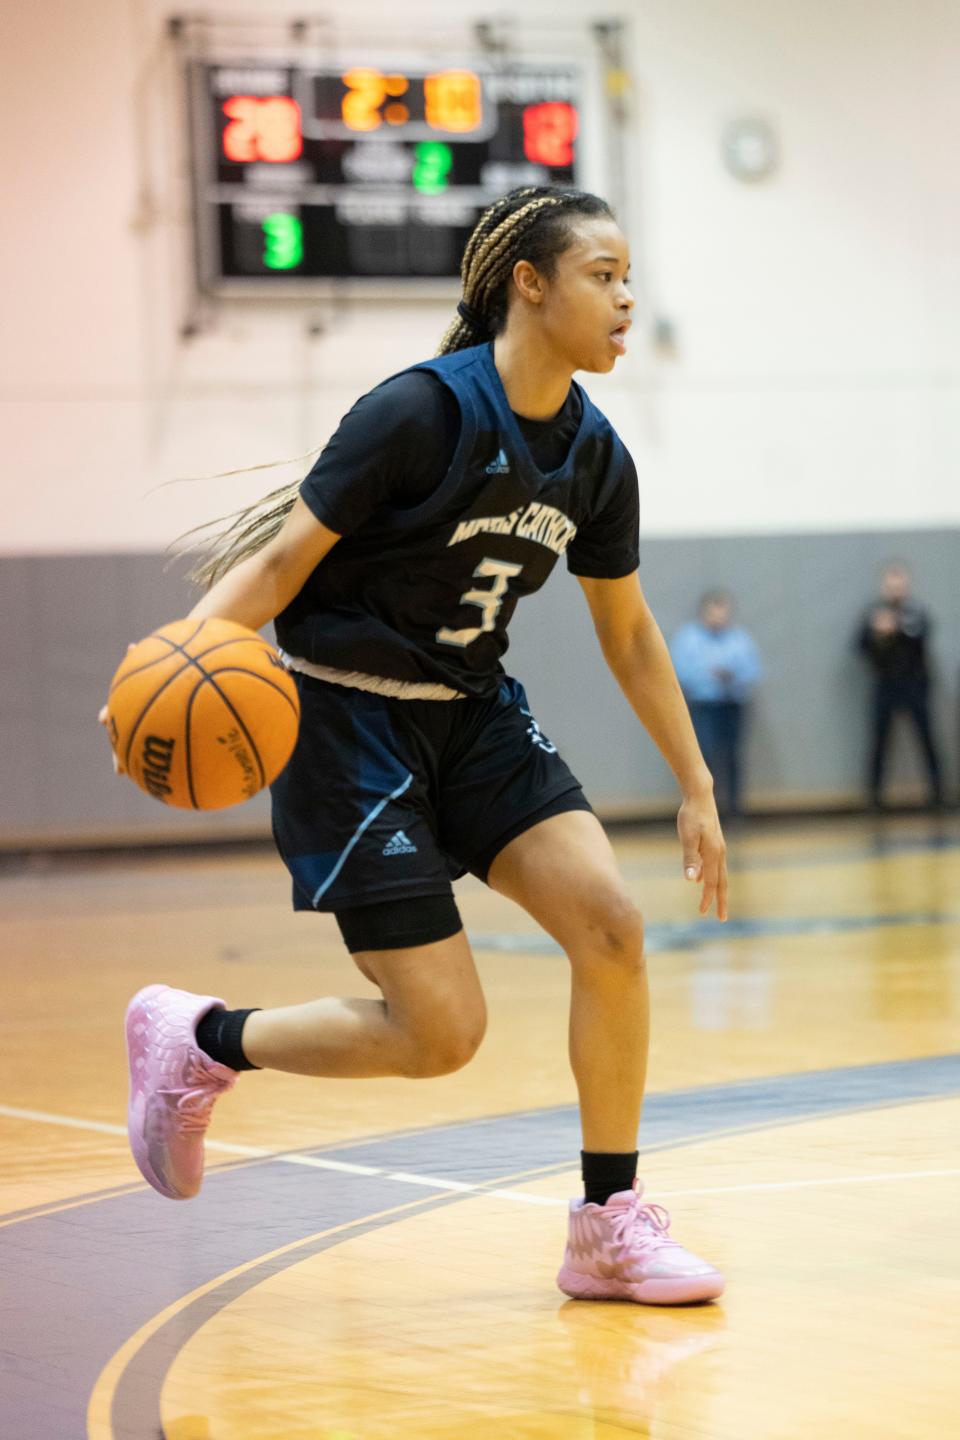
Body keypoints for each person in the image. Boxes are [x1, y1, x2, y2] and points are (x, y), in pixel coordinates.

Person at [105, 187, 728, 1306]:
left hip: (475, 714)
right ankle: (201, 1037)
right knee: (443, 1035)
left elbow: (627, 632)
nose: (627, 298)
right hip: (347, 722)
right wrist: (166, 662)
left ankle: (607, 1224)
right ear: (527, 283)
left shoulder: (596, 459)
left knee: (615, 927)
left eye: (630, 276)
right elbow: (281, 568)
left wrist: (696, 780)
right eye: (603, 273)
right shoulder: (418, 415)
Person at [857, 562, 944, 811]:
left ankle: (937, 794)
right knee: (880, 742)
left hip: (914, 685)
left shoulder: (915, 612)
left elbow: (922, 637)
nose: (895, 590)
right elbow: (860, 646)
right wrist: (877, 633)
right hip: (885, 685)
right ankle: (874, 798)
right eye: (891, 585)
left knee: (927, 740)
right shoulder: (873, 613)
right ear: (884, 587)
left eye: (900, 585)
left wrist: (897, 628)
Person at [670, 591, 762, 819]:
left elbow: (753, 671)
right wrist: (710, 676)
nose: (719, 617)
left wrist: (731, 676)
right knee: (705, 756)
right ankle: (705, 810)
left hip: (732, 703)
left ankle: (734, 811)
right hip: (704, 705)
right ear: (704, 612)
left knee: (732, 757)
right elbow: (680, 672)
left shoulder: (740, 639)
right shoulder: (689, 638)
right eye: (714, 612)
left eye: (723, 612)